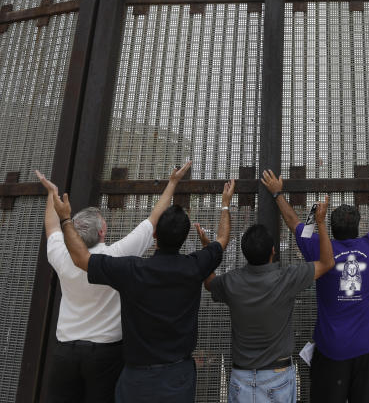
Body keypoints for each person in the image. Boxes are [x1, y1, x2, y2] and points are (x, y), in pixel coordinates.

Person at [52, 173, 234, 403]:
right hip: (178, 374)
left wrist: (66, 219)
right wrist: (225, 205)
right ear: (184, 238)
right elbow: (223, 239)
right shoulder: (195, 266)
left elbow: (80, 259)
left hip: (137, 376)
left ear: (155, 235)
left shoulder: (131, 270)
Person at [36, 163, 192, 403]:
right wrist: (172, 183)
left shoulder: (60, 256)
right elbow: (152, 221)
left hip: (65, 351)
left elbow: (52, 227)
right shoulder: (116, 255)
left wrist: (51, 194)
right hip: (105, 353)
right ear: (102, 231)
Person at [266, 168, 369, 403]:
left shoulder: (321, 251)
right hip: (367, 348)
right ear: (358, 226)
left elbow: (294, 223)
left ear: (331, 228)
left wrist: (278, 194)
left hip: (331, 349)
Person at [199, 194, 334, 403]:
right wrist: (320, 222)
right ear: (273, 251)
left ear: (244, 252)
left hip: (241, 376)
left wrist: (208, 249)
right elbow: (326, 263)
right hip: (277, 376)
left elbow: (209, 283)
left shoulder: (231, 282)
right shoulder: (287, 279)